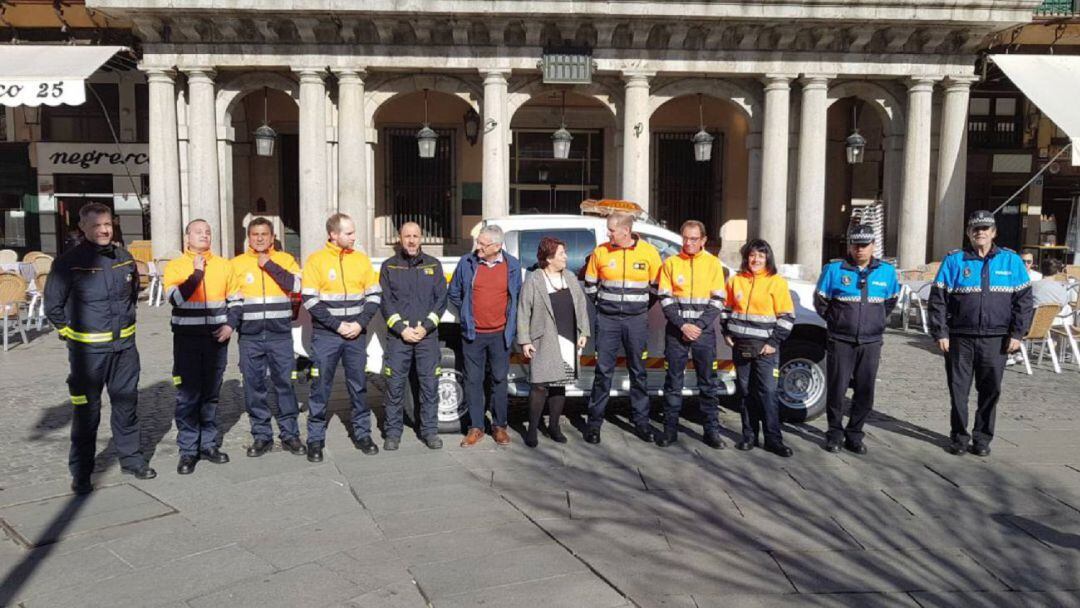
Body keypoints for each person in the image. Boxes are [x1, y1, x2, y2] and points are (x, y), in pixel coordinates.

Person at [45, 202, 155, 495]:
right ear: (83, 228)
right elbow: (53, 307)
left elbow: (132, 295)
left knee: (126, 407)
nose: (103, 230)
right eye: (96, 225)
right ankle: (82, 472)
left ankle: (132, 460)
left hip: (125, 351)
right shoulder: (68, 262)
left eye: (107, 224)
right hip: (88, 356)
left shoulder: (123, 257)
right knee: (86, 413)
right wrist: (74, 336)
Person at [929, 210, 1033, 457]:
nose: (980, 233)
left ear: (994, 232)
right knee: (958, 391)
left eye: (985, 228)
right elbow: (938, 300)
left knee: (990, 391)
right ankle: (959, 437)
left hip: (996, 339)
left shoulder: (1011, 261)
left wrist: (1017, 334)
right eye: (976, 229)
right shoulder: (954, 261)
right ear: (969, 233)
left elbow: (1024, 301)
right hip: (960, 338)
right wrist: (940, 332)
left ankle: (983, 438)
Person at [301, 213, 383, 461]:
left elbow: (374, 296)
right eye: (349, 233)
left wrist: (359, 324)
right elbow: (310, 300)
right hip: (327, 336)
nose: (354, 237)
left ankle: (362, 434)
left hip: (356, 336)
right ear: (333, 235)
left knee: (358, 386)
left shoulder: (361, 260)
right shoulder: (316, 261)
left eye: (353, 232)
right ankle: (315, 439)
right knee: (320, 387)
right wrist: (338, 326)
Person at [814, 224, 900, 455]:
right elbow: (821, 301)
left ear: (873, 246)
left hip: (871, 341)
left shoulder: (886, 271)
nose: (860, 249)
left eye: (864, 245)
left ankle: (855, 433)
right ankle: (834, 433)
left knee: (865, 390)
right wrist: (837, 321)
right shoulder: (834, 269)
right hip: (841, 339)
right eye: (855, 245)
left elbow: (891, 300)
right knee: (837, 388)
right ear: (849, 246)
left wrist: (877, 320)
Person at [227, 218, 306, 458]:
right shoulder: (236, 264)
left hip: (279, 335)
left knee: (284, 384)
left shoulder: (285, 260)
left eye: (264, 234)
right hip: (249, 337)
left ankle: (290, 434)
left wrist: (270, 265)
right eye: (254, 234)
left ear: (272, 238)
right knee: (254, 387)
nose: (259, 238)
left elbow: (297, 285)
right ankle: (261, 436)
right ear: (248, 238)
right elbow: (231, 298)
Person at [582, 212, 663, 445]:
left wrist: (638, 308)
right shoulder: (601, 251)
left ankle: (642, 423)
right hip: (607, 320)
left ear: (625, 231)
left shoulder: (649, 252)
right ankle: (594, 425)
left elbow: (657, 287)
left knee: (638, 372)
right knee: (603, 372)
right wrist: (604, 306)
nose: (608, 234)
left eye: (611, 230)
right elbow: (590, 284)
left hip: (636, 320)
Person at [164, 220, 235, 475]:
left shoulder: (224, 265)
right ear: (187, 237)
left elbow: (235, 300)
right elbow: (175, 299)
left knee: (210, 395)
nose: (204, 235)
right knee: (187, 396)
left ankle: (208, 444)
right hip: (187, 340)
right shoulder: (176, 266)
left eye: (207, 232)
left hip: (216, 339)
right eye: (198, 232)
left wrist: (230, 326)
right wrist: (196, 274)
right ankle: (188, 450)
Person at [655, 220, 727, 449]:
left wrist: (697, 326)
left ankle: (712, 432)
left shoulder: (714, 264)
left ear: (703, 240)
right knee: (673, 382)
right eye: (685, 238)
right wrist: (682, 325)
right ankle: (669, 430)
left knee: (708, 384)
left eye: (694, 239)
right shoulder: (671, 263)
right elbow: (664, 298)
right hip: (676, 332)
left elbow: (718, 300)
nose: (688, 242)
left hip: (703, 333)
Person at [448, 224, 522, 447]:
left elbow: (516, 296)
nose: (477, 247)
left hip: (501, 335)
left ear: (497, 246)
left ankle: (499, 426)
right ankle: (476, 427)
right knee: (473, 380)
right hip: (474, 334)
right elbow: (454, 293)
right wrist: (467, 315)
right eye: (477, 242)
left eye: (482, 244)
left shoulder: (512, 265)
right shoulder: (467, 263)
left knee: (499, 380)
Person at [722, 239, 795, 457]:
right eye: (752, 255)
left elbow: (787, 317)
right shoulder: (736, 281)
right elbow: (726, 309)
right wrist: (726, 332)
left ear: (768, 259)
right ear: (747, 258)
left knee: (768, 393)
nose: (756, 260)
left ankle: (773, 439)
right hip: (741, 346)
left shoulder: (776, 282)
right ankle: (749, 435)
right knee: (745, 392)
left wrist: (773, 343)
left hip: (766, 350)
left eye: (761, 256)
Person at [379, 222, 447, 451]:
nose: (411, 240)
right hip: (399, 338)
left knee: (429, 386)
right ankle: (393, 433)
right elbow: (385, 302)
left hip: (426, 337)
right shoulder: (389, 267)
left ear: (421, 239)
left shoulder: (433, 265)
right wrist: (401, 328)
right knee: (394, 387)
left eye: (415, 236)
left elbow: (441, 301)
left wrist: (426, 326)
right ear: (399, 238)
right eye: (407, 236)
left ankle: (429, 432)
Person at [517, 236, 590, 447]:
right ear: (549, 258)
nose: (566, 257)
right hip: (543, 338)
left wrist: (583, 332)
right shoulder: (534, 279)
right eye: (562, 254)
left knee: (560, 385)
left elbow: (581, 305)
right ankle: (532, 429)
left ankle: (554, 426)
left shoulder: (570, 277)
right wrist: (524, 340)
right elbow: (523, 311)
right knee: (539, 385)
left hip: (568, 337)